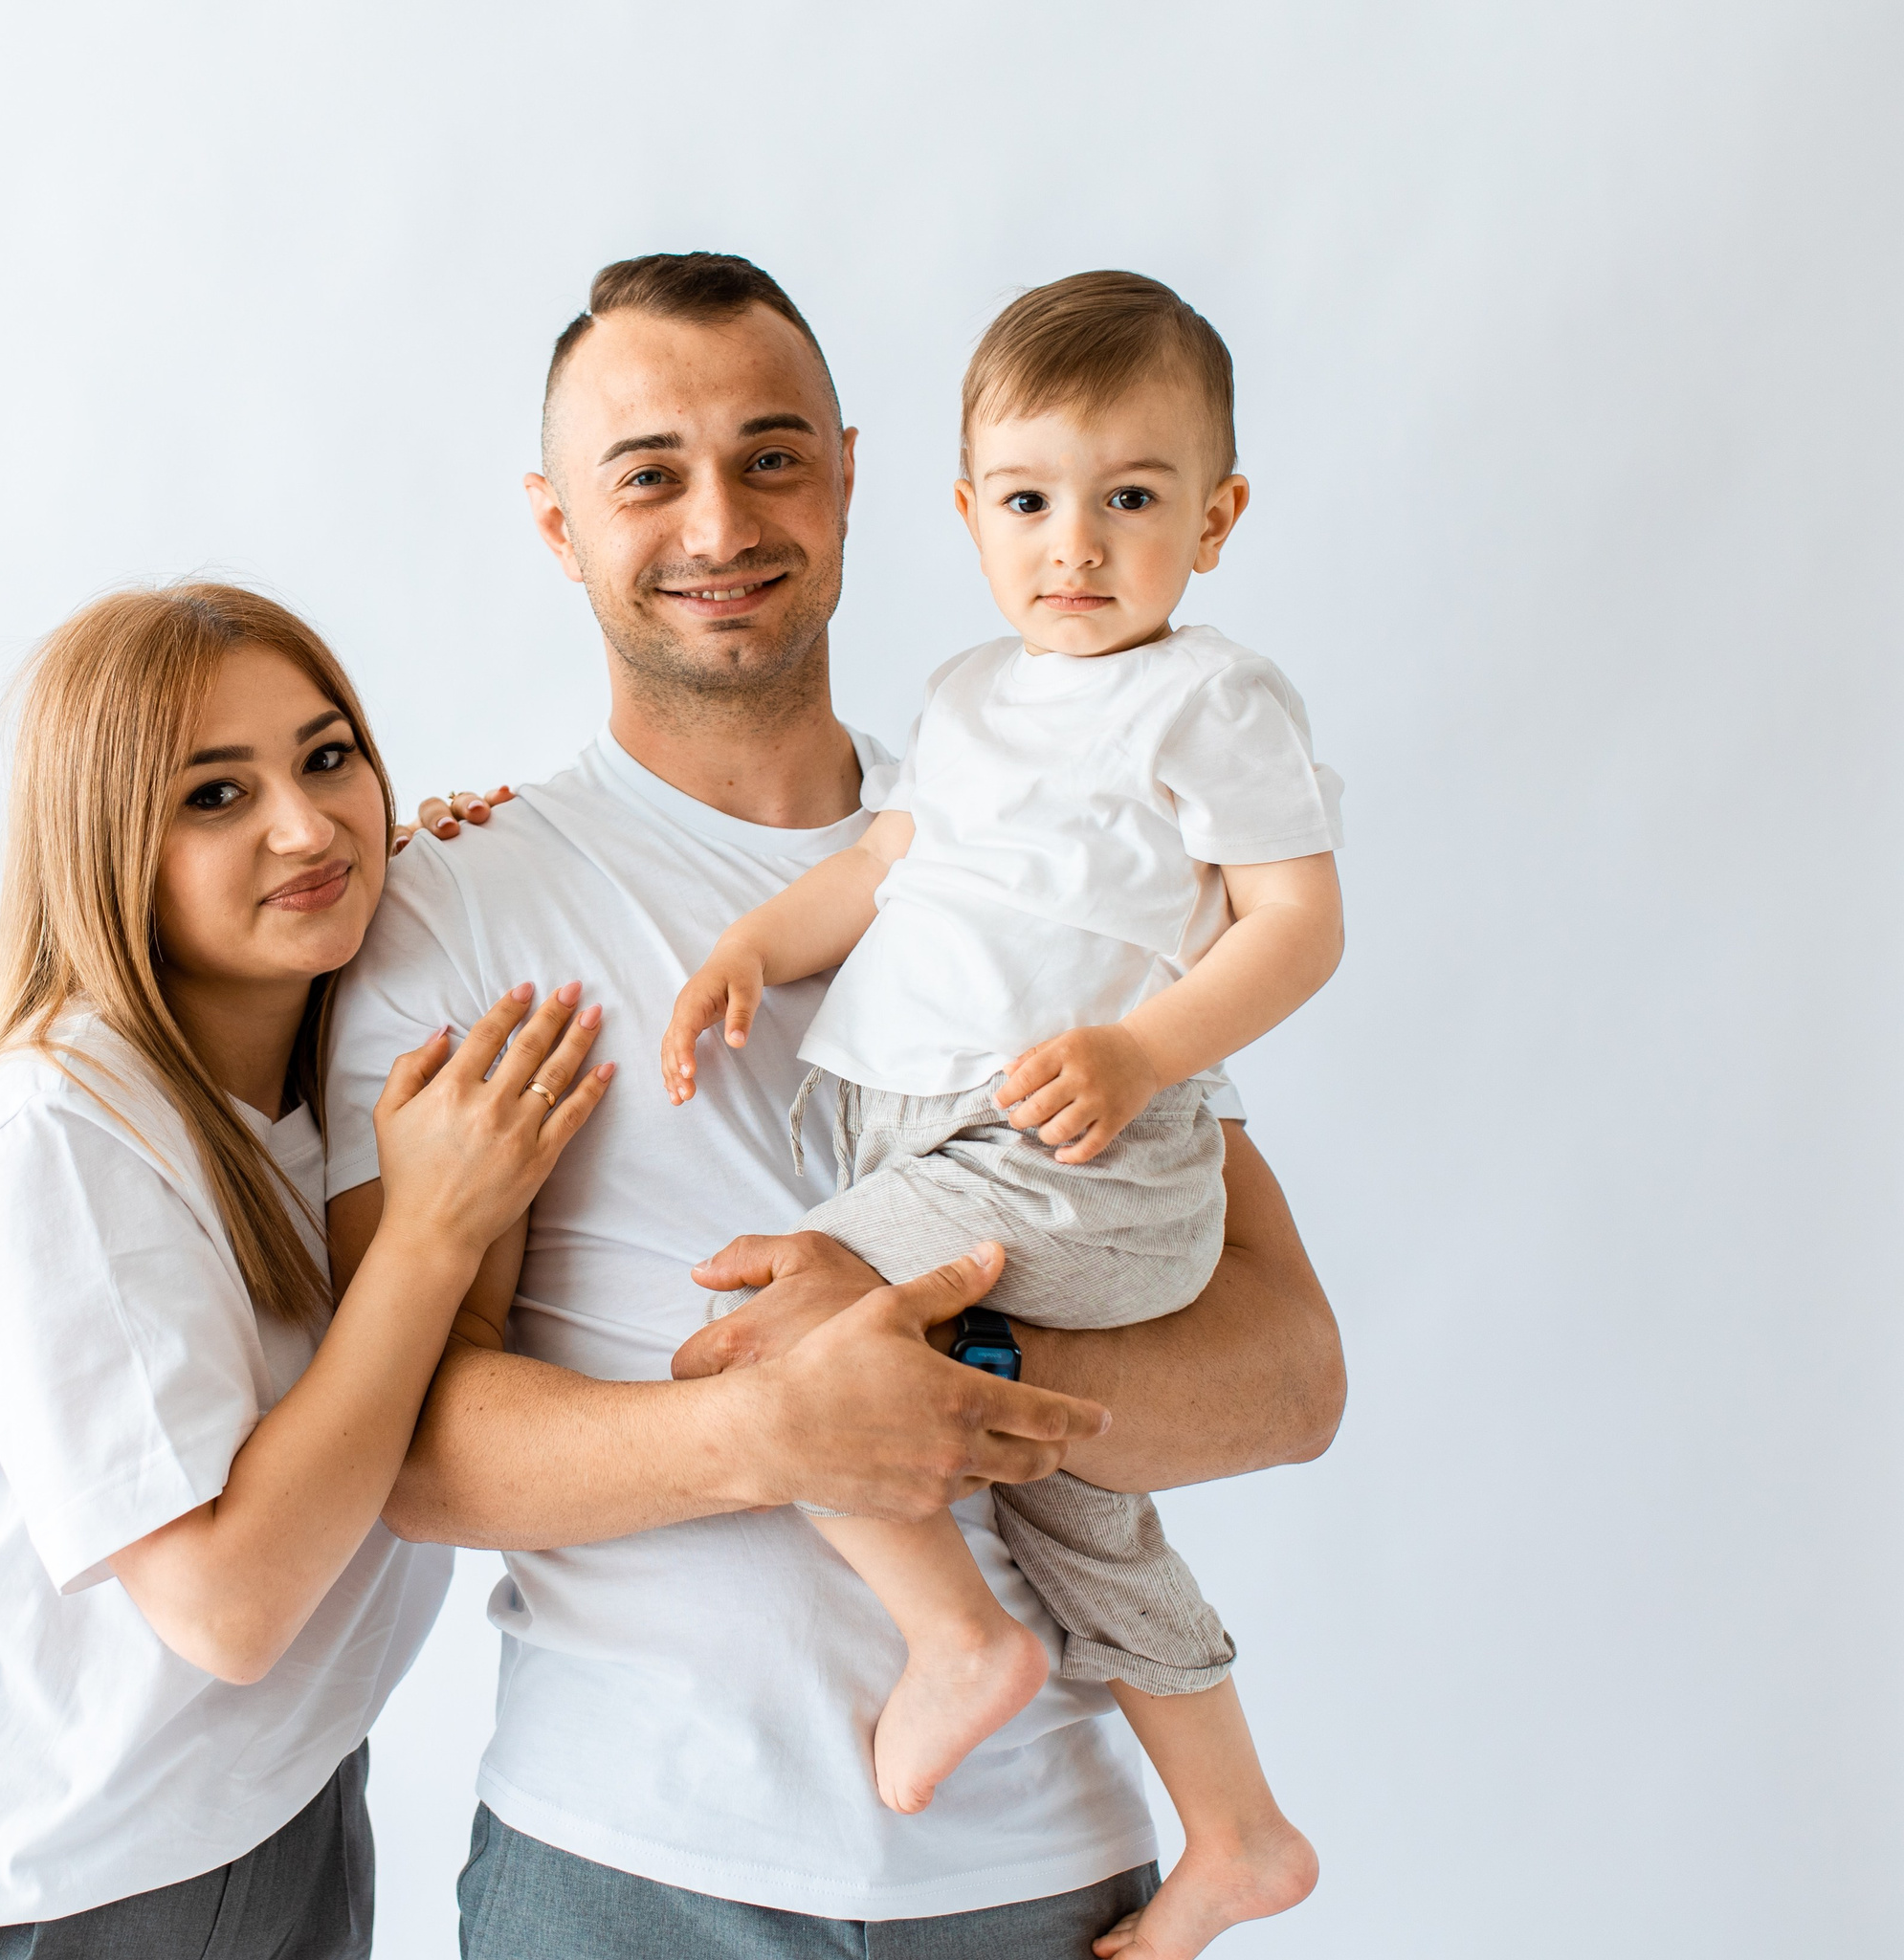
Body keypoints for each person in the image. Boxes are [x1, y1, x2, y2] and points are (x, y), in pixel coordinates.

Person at [327, 253, 1346, 1957]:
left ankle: (1211, 1810)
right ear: (556, 520)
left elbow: (1288, 1377)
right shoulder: (453, 905)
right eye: (647, 471)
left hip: (1036, 1870)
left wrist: (949, 1373)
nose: (718, 519)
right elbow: (414, 1447)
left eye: (773, 453)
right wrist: (778, 1423)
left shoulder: (1076, 853)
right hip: (622, 1866)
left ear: (859, 479)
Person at [0, 584, 614, 1958]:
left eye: (329, 759)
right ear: (105, 843)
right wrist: (432, 1236)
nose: (307, 825)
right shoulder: (55, 1133)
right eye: (215, 794)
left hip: (268, 1835)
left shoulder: (347, 1094)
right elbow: (228, 1604)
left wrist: (472, 901)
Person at [658, 271, 1338, 1958]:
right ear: (966, 513)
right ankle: (1240, 1830)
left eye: (1132, 499)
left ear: (1219, 513)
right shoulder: (966, 698)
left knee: (792, 1329)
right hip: (928, 1142)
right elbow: (890, 867)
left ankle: (957, 1638)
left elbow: (1300, 922)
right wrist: (757, 941)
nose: (1076, 547)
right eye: (1030, 502)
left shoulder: (1211, 696)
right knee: (1078, 1500)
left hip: (1074, 1150)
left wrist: (1140, 1051)